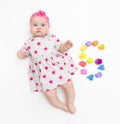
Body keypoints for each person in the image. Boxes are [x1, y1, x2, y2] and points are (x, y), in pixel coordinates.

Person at [17, 10, 78, 114]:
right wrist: (21, 53)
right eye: (35, 25)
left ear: (49, 27)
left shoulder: (52, 37)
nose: (39, 27)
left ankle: (71, 102)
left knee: (68, 84)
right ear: (30, 27)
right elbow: (24, 51)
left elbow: (60, 48)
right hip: (43, 73)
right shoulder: (29, 42)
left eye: (42, 25)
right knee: (50, 94)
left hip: (56, 67)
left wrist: (65, 47)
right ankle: (61, 106)